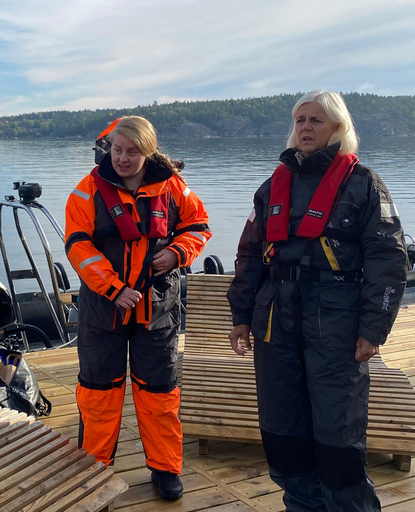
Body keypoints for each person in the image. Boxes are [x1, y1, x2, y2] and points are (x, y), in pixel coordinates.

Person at [227, 90, 407, 511]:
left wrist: (372, 329)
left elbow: (388, 260)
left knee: (337, 434)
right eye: (300, 120)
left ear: (338, 128)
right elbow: (250, 253)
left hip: (336, 317)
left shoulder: (364, 184)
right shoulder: (272, 186)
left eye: (316, 121)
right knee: (283, 429)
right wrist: (240, 315)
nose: (305, 128)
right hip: (275, 317)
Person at [65, 116, 211, 500]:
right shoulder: (87, 190)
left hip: (157, 310)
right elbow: (77, 246)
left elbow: (199, 226)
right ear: (108, 148)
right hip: (103, 311)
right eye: (117, 150)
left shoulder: (175, 187)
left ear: (147, 152)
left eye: (132, 151)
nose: (123, 159)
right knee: (98, 394)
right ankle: (95, 468)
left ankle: (165, 469)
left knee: (160, 394)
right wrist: (113, 289)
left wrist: (178, 253)